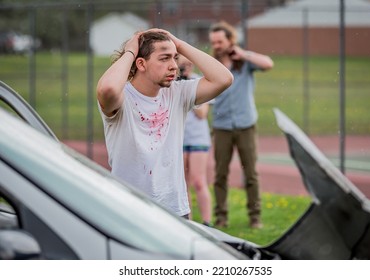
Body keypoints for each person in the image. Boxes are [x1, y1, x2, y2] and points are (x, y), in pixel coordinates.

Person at [96, 28, 233, 219]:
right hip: (129, 210)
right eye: (164, 58)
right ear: (141, 64)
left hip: (175, 210)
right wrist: (130, 52)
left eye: (175, 58)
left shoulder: (178, 93)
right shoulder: (122, 97)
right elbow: (108, 88)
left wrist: (179, 44)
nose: (174, 66)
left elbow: (224, 79)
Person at [208, 21, 274, 228]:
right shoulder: (211, 64)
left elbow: (268, 64)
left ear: (230, 40)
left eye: (220, 41)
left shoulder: (244, 62)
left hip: (245, 125)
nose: (217, 45)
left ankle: (255, 217)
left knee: (251, 174)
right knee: (220, 175)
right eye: (214, 42)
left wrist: (244, 54)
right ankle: (221, 217)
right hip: (221, 127)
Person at [178, 55, 212, 226]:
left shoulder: (199, 82)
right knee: (183, 184)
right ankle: (189, 223)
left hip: (198, 138)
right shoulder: (172, 83)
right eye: (182, 65)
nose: (186, 68)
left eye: (188, 64)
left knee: (199, 181)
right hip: (180, 139)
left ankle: (207, 221)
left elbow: (202, 113)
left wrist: (188, 90)